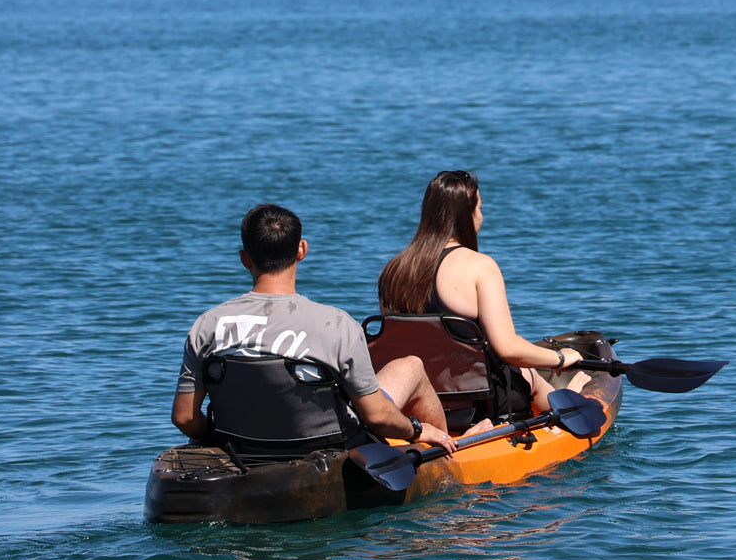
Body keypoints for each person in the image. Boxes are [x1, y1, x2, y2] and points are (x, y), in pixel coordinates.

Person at [172, 203, 456, 455]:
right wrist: (417, 429)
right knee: (411, 367)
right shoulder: (335, 324)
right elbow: (377, 417)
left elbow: (185, 417)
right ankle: (445, 452)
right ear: (302, 250)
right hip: (326, 448)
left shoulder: (207, 325)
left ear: (245, 258)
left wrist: (223, 438)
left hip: (241, 448)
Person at [376, 170, 587, 418]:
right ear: (467, 215)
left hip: (419, 401)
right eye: (479, 208)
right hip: (477, 406)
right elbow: (508, 349)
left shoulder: (393, 270)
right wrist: (560, 358)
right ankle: (569, 407)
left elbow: (400, 344)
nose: (481, 216)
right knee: (530, 377)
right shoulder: (479, 266)